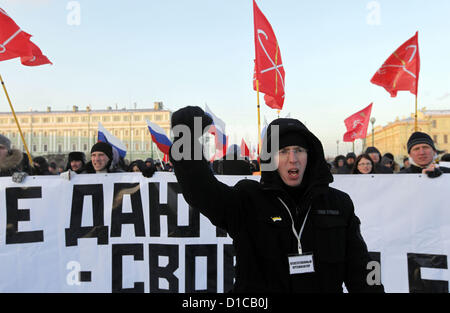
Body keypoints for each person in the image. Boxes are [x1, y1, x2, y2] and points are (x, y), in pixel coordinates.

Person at [166, 106, 384, 293]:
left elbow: (362, 269)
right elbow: (201, 191)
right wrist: (187, 137)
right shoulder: (248, 199)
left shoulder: (338, 203)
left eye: (299, 150)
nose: (293, 159)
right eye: (283, 151)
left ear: (311, 156)